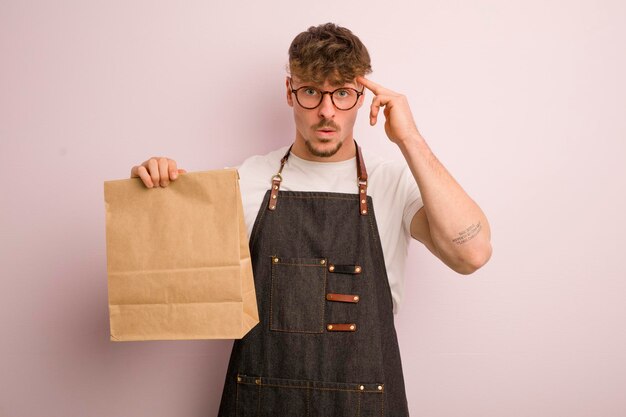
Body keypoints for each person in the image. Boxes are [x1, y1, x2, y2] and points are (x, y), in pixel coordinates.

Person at [131, 23, 491, 416]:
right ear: (290, 92)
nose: (326, 111)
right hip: (262, 402)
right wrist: (155, 192)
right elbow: (167, 281)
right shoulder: (245, 180)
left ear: (362, 95)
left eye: (341, 93)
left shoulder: (393, 182)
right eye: (311, 92)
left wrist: (410, 138)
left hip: (364, 404)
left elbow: (471, 253)